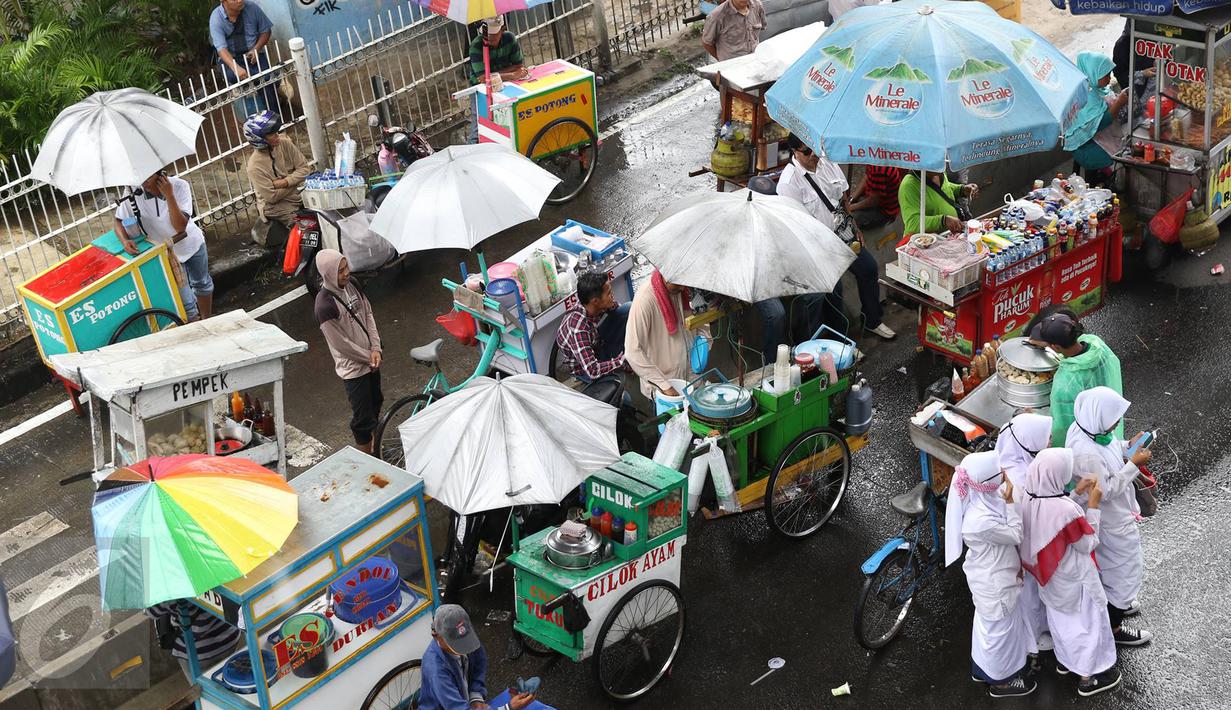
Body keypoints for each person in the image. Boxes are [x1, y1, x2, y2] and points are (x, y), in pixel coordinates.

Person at [1021, 449, 1119, 697]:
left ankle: (1066, 661)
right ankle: (1087, 677)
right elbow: (1087, 543)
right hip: (1077, 578)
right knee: (1086, 624)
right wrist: (1093, 505)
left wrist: (1075, 494)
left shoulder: (1028, 498)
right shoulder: (1067, 510)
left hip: (1050, 578)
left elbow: (1053, 521)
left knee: (1062, 622)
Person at [777, 134, 895, 340]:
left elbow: (843, 198)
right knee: (834, 290)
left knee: (868, 268)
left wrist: (854, 225)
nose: (813, 155)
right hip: (816, 244)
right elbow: (794, 226)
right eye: (807, 152)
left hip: (842, 234)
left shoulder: (827, 163)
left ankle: (873, 320)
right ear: (795, 152)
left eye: (814, 148)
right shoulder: (789, 182)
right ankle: (841, 340)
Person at [944, 451, 1037, 698]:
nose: (1005, 476)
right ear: (986, 482)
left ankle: (981, 669)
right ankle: (1001, 683)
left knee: (987, 627)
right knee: (1000, 633)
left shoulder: (980, 499)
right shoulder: (981, 521)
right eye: (1000, 473)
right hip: (996, 584)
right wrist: (1012, 502)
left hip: (988, 577)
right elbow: (1015, 534)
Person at [1066, 387, 1152, 646]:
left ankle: (1116, 603)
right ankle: (1114, 627)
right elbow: (1107, 490)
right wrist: (1133, 465)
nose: (1115, 424)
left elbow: (1112, 447)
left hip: (1112, 520)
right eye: (1113, 418)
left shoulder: (1089, 427)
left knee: (1110, 570)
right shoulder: (1086, 452)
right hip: (1112, 522)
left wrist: (1129, 446)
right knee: (1127, 570)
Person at [114, 172, 213, 321]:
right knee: (186, 303)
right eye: (141, 178)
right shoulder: (132, 193)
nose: (145, 183)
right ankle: (197, 327)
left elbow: (180, 226)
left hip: (191, 244)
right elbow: (118, 221)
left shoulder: (180, 186)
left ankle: (208, 319)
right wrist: (124, 241)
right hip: (166, 253)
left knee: (202, 284)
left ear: (161, 175)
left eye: (149, 177)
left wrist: (169, 195)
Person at [314, 249, 384, 455]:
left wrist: (376, 348)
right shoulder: (324, 305)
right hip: (354, 370)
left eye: (346, 267)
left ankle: (375, 451)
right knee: (362, 421)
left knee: (375, 404)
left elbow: (368, 313)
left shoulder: (353, 284)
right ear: (327, 274)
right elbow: (340, 344)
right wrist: (367, 356)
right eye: (340, 270)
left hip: (372, 359)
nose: (346, 273)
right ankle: (368, 460)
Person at [994, 412, 1053, 651]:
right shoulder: (1024, 479)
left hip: (1016, 543)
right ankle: (1034, 637)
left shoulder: (1007, 458)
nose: (1049, 441)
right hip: (1026, 545)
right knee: (1031, 592)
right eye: (1045, 438)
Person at [1026, 309, 1123, 445]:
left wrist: (1034, 416)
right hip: (1109, 418)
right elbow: (1076, 353)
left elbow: (1062, 428)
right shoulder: (1096, 343)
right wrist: (1051, 345)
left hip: (1090, 444)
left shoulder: (1065, 382)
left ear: (1055, 346)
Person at [420, 604, 537, 710]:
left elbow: (480, 662)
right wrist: (508, 708)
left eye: (465, 640)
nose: (464, 647)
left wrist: (475, 696)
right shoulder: (435, 669)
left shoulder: (466, 638)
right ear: (436, 636)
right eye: (457, 643)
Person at [245, 111, 313, 244]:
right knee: (307, 228)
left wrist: (284, 182)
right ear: (259, 139)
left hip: (295, 195)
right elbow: (272, 197)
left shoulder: (284, 143)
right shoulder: (254, 166)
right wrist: (293, 180)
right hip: (273, 207)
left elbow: (305, 169)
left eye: (276, 132)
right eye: (271, 134)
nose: (277, 136)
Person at [625, 271, 695, 399]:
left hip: (690, 377)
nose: (682, 287)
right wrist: (664, 385)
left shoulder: (683, 289)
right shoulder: (644, 300)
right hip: (665, 389)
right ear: (664, 272)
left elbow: (698, 320)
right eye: (677, 283)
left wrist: (704, 344)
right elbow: (632, 351)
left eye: (683, 282)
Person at [1063, 53, 1129, 185]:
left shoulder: (1099, 90)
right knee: (1125, 157)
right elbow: (1101, 123)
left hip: (1098, 138)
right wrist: (1119, 103)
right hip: (1086, 148)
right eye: (1106, 75)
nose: (1110, 78)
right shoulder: (1085, 96)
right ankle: (1111, 186)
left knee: (1128, 145)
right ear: (1093, 73)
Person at [556, 271, 630, 382]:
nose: (612, 295)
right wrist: (621, 361)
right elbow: (592, 370)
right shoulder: (577, 327)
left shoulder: (595, 304)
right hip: (585, 369)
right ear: (595, 301)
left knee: (628, 309)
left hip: (597, 344)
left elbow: (617, 309)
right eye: (609, 293)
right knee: (624, 397)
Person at [209, 0, 279, 114]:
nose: (240, 0)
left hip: (252, 54)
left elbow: (266, 31)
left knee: (266, 81)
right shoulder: (216, 18)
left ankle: (275, 120)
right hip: (231, 59)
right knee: (235, 77)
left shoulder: (252, 8)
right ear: (223, 1)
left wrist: (256, 49)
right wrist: (235, 67)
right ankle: (273, 82)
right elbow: (221, 49)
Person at [467, 16, 528, 142]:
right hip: (481, 89)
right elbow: (483, 78)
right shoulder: (476, 46)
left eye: (495, 37)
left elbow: (518, 65)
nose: (492, 41)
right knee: (479, 126)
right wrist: (511, 74)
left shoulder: (509, 39)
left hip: (508, 85)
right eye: (489, 37)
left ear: (502, 30)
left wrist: (496, 76)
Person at [146, 600, 241, 681]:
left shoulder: (168, 588)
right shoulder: (210, 578)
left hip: (197, 652)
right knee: (233, 677)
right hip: (229, 636)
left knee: (203, 689)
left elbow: (151, 612)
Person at [897, 170, 979, 235]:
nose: (943, 166)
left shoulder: (939, 172)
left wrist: (962, 190)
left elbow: (943, 189)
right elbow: (913, 223)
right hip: (926, 243)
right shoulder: (908, 185)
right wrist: (943, 220)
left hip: (949, 236)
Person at [701, 0, 765, 61]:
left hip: (755, 60)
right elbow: (707, 43)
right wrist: (722, 61)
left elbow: (760, 29)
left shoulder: (757, 5)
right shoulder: (717, 16)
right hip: (732, 65)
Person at [848, 164, 906, 230]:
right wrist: (852, 199)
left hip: (884, 210)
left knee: (850, 221)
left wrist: (851, 207)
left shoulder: (880, 168)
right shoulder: (873, 161)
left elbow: (874, 201)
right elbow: (867, 176)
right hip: (871, 196)